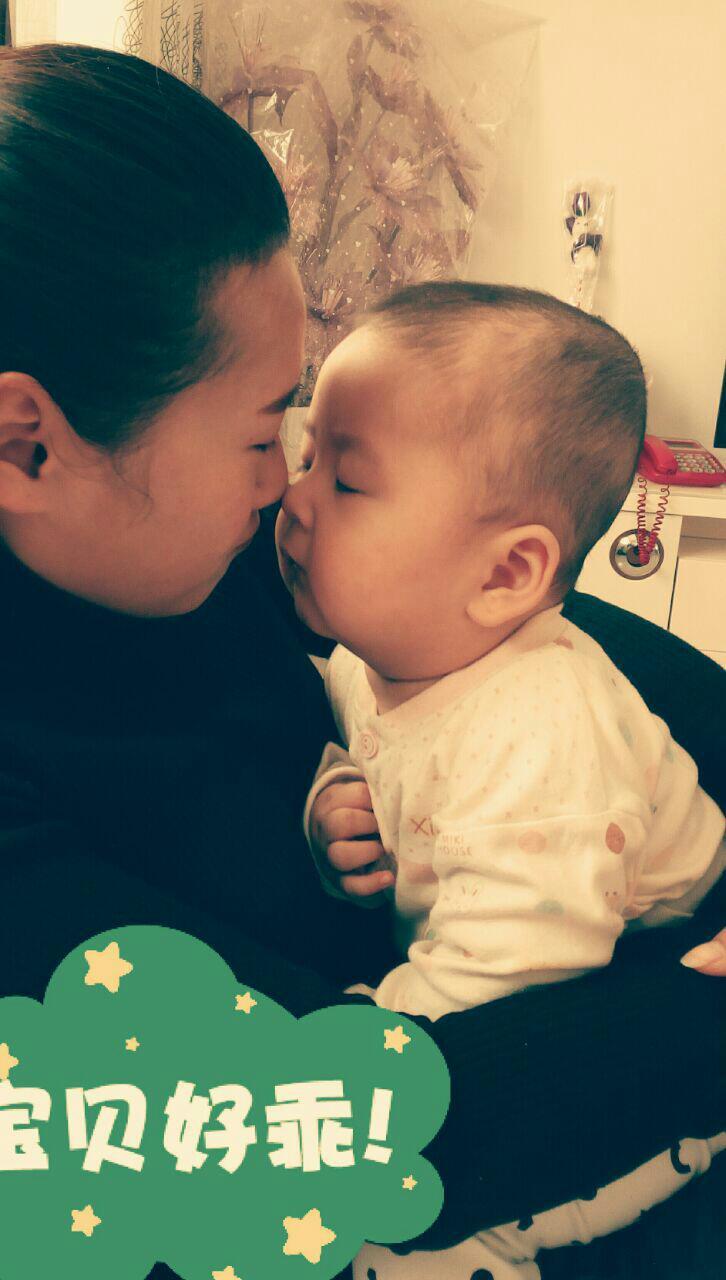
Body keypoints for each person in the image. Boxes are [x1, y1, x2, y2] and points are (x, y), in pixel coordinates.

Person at [0, 43, 723, 1280]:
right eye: (261, 434)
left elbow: (512, 650)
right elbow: (351, 1135)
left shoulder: (190, 551)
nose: (284, 486)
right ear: (29, 444)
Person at [278, 283, 725, 1277]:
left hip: (643, 1052)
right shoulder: (375, 648)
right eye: (306, 457)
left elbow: (521, 990)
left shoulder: (543, 733)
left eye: (345, 481)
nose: (294, 499)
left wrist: (370, 1036)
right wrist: (334, 806)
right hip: (521, 975)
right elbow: (362, 748)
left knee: (395, 1236)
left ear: (504, 575)